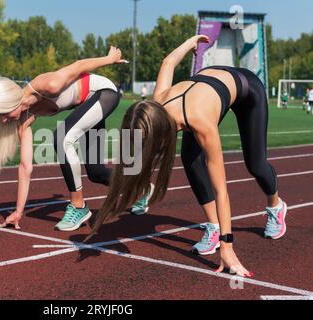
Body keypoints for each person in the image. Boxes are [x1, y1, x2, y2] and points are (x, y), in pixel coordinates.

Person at [91, 35, 288, 278]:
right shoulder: (156, 103)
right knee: (190, 160)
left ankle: (275, 206)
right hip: (209, 81)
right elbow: (168, 62)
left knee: (256, 165)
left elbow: (221, 191)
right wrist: (190, 42)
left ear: (162, 133)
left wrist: (228, 247)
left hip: (247, 90)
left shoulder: (200, 120)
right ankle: (212, 226)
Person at [0, 47, 136, 232]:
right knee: (96, 173)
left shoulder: (46, 85)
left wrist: (109, 59)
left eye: (3, 113)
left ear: (12, 101)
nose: (3, 120)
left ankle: (78, 207)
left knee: (61, 137)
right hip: (87, 105)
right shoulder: (23, 121)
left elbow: (78, 66)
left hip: (104, 93)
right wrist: (18, 212)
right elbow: (25, 167)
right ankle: (139, 186)